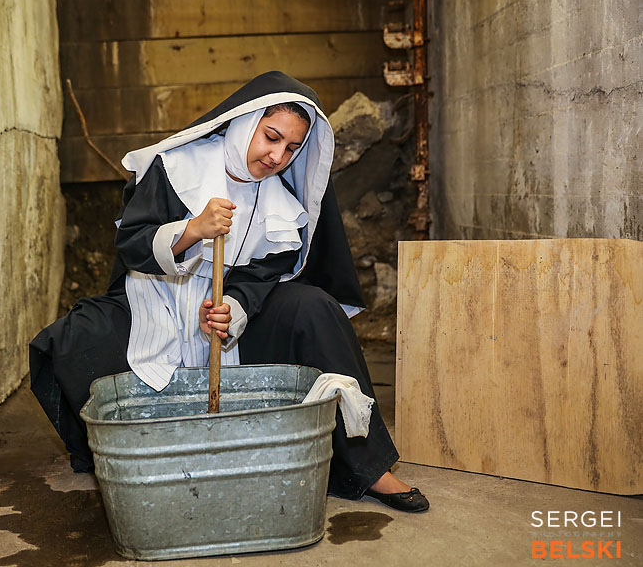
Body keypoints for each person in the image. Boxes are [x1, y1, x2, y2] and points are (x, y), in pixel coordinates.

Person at [30, 71, 429, 513]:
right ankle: (120, 458)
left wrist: (232, 309)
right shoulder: (176, 166)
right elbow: (132, 246)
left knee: (314, 308)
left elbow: (264, 276)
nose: (277, 156)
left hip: (228, 314)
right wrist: (191, 230)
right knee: (72, 338)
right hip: (156, 297)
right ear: (244, 123)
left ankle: (368, 466)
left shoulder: (282, 205)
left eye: (292, 148)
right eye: (271, 137)